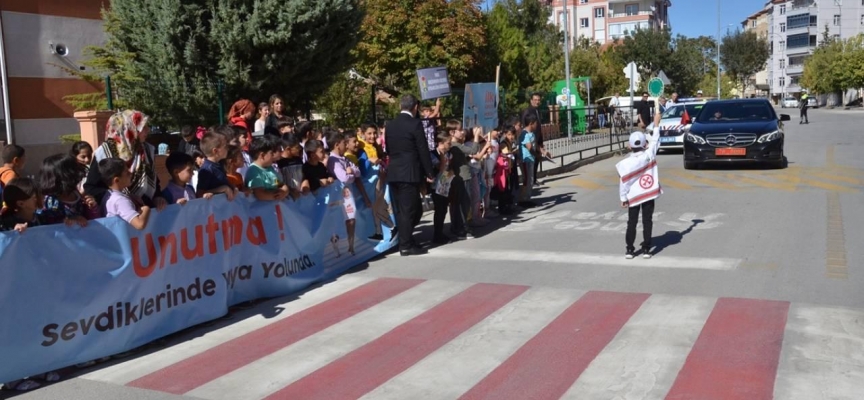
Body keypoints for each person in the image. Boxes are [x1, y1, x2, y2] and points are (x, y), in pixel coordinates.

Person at [84, 110, 167, 211]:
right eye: (143, 127)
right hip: (118, 213)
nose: (148, 130)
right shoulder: (104, 153)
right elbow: (91, 188)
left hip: (146, 210)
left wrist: (158, 196)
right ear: (128, 129)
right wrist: (123, 198)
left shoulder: (146, 150)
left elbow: (153, 178)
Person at [386, 94, 435, 256]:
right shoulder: (415, 124)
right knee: (410, 210)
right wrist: (429, 172)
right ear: (415, 107)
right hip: (409, 173)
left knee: (404, 210)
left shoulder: (390, 125)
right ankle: (405, 245)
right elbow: (423, 150)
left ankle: (405, 238)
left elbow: (388, 149)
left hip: (394, 172)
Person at [616, 109, 663, 259]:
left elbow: (623, 183)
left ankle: (630, 249)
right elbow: (655, 140)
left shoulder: (625, 163)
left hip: (633, 197)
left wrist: (623, 198)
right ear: (645, 144)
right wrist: (656, 123)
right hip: (648, 195)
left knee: (632, 222)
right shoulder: (649, 155)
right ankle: (647, 249)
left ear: (629, 146)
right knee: (647, 221)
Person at [38, 154, 97, 224]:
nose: (79, 173)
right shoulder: (50, 202)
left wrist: (92, 208)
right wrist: (69, 222)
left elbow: (88, 218)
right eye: (74, 170)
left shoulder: (75, 193)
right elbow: (50, 227)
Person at [99, 157, 152, 230]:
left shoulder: (109, 195)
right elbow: (139, 224)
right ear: (117, 180)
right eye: (127, 172)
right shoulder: (120, 200)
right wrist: (146, 209)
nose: (131, 173)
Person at [196, 131, 238, 200]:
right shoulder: (206, 170)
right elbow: (199, 194)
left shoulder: (219, 164)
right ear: (215, 151)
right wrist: (222, 189)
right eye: (225, 147)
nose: (228, 149)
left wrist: (232, 187)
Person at [245, 136, 289, 201]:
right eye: (271, 153)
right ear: (262, 155)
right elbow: (260, 194)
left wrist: (284, 192)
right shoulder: (253, 171)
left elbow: (281, 185)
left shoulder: (270, 169)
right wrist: (276, 196)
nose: (273, 156)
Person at [430, 131, 453, 244]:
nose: (450, 145)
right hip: (436, 186)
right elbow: (441, 168)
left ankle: (440, 232)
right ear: (441, 143)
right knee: (439, 210)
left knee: (444, 209)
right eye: (448, 143)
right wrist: (442, 157)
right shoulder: (433, 154)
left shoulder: (449, 154)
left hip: (445, 184)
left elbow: (449, 169)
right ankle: (436, 235)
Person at [522, 92, 548, 185]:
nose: (537, 102)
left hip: (537, 139)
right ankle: (530, 180)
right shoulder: (528, 111)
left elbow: (539, 127)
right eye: (535, 100)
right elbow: (525, 126)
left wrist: (540, 142)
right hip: (530, 139)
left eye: (538, 100)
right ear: (531, 100)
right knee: (531, 160)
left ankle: (534, 179)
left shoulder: (538, 110)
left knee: (537, 160)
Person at [519, 113, 539, 206]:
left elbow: (535, 145)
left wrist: (542, 151)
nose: (537, 125)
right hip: (525, 160)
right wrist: (537, 155)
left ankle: (527, 198)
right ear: (531, 123)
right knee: (526, 180)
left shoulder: (532, 134)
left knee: (530, 180)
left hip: (531, 159)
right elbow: (529, 147)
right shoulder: (524, 134)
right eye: (536, 123)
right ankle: (523, 200)